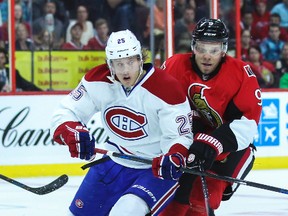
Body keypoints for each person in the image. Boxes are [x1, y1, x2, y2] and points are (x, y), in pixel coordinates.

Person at [50, 29, 193, 215]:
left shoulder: (166, 88)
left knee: (124, 212)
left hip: (153, 168)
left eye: (131, 62)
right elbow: (66, 111)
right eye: (119, 64)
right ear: (110, 64)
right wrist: (72, 131)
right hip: (113, 160)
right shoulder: (97, 80)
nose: (125, 70)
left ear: (141, 59)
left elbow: (180, 137)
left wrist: (174, 155)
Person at [159, 18, 262, 216]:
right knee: (169, 199)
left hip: (228, 148)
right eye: (201, 48)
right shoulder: (174, 66)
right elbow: (156, 107)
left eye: (214, 50)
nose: (207, 56)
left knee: (202, 200)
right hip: (186, 141)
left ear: (224, 50)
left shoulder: (241, 74)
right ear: (193, 47)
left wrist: (212, 143)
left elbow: (247, 124)